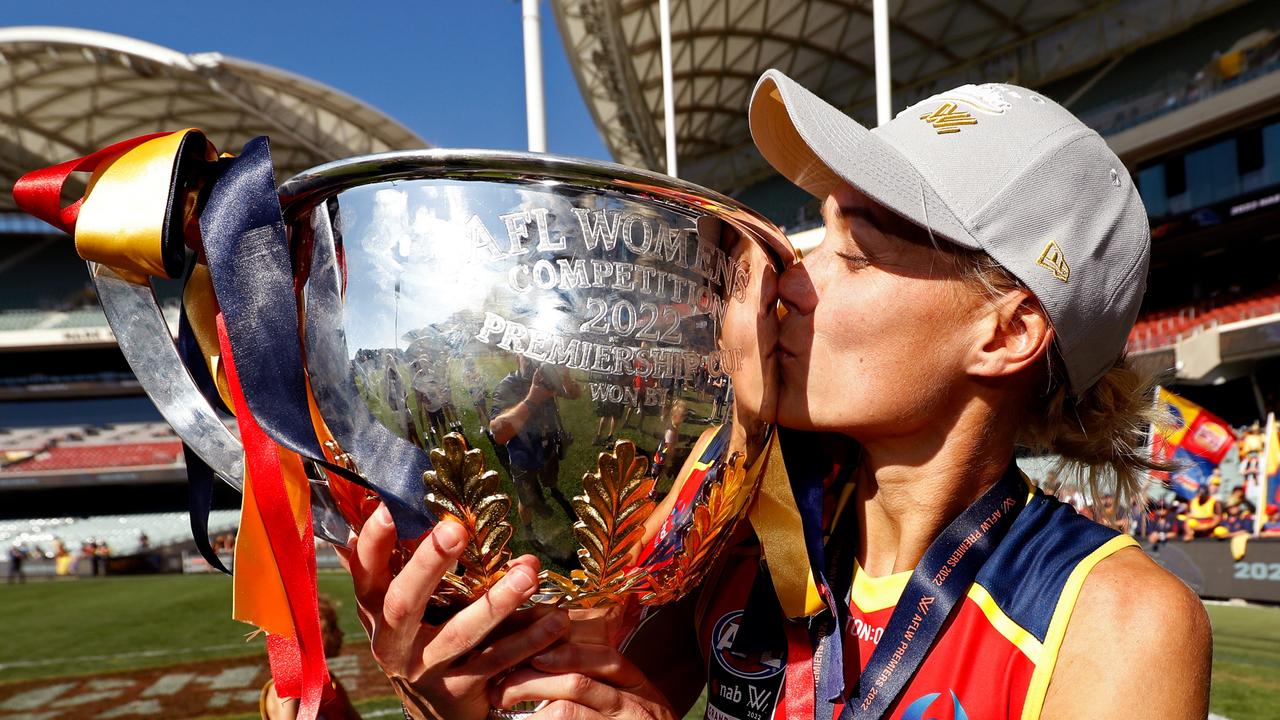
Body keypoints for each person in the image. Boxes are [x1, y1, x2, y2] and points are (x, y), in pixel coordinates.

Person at [342, 72, 1210, 719]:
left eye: (857, 252)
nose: (793, 276)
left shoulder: (1117, 624)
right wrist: (458, 694)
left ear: (1007, 333)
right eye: (816, 232)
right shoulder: (740, 536)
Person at [489, 356, 581, 539]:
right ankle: (529, 528)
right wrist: (533, 398)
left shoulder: (547, 377)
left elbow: (574, 394)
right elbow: (498, 433)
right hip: (522, 456)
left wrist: (565, 376)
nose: (534, 361)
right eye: (527, 355)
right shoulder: (508, 385)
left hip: (548, 449)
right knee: (527, 500)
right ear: (517, 356)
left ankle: (552, 488)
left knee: (550, 479)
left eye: (538, 354)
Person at [260, 594, 360, 719]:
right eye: (332, 627)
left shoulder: (331, 684)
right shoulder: (290, 691)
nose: (341, 633)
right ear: (309, 637)